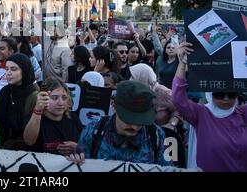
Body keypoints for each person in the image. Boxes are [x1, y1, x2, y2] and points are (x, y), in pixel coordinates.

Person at [172, 42, 247, 171]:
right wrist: (182, 63)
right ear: (210, 94)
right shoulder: (201, 114)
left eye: (232, 94)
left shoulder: (242, 113)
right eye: (219, 94)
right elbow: (178, 99)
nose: (226, 99)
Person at [67, 80, 171, 166]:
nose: (134, 126)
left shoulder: (157, 136)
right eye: (129, 119)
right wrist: (75, 162)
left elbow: (169, 168)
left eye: (140, 121)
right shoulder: (92, 131)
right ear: (114, 106)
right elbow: (80, 164)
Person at [130, 63, 185, 167]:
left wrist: (171, 124)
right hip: (142, 138)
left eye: (133, 76)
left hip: (165, 139)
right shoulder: (133, 93)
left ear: (144, 77)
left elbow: (179, 110)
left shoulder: (164, 93)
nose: (130, 79)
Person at [23, 77, 83, 154]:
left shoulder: (73, 119)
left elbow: (85, 148)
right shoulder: (33, 118)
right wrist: (37, 111)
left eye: (64, 98)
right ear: (43, 98)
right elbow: (29, 141)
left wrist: (77, 148)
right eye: (54, 98)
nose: (60, 103)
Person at [0, 53, 38, 150]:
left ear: (24, 70)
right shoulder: (5, 92)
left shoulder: (34, 96)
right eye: (6, 69)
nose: (8, 73)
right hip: (2, 149)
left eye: (13, 69)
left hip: (28, 151)